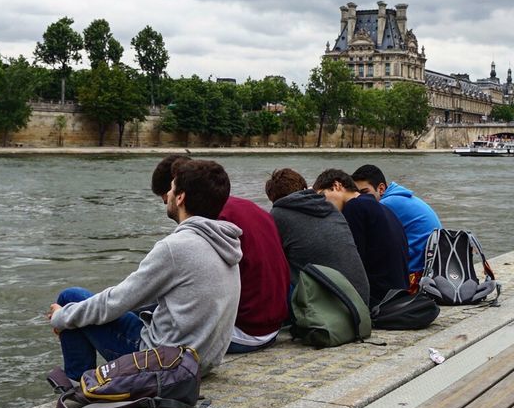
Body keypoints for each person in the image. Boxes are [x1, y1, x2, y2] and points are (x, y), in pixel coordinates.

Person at [47, 160, 242, 381]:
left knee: (70, 298)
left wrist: (62, 317)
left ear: (180, 197)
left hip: (164, 363)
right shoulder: (226, 243)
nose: (167, 195)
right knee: (98, 310)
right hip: (201, 361)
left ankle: (77, 387)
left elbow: (116, 301)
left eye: (171, 188)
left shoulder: (176, 247)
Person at [151, 156, 289, 354]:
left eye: (167, 199)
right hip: (272, 326)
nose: (168, 207)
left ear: (179, 191)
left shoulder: (213, 221)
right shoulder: (250, 207)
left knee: (146, 313)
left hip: (245, 331)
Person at [266, 168, 371, 306]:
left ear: (274, 199)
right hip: (361, 304)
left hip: (333, 311)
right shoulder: (331, 208)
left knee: (272, 271)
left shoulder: (278, 214)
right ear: (304, 187)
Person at [313, 168, 409, 307]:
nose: (322, 203)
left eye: (322, 195)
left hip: (378, 299)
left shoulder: (354, 207)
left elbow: (353, 263)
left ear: (337, 186)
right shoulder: (379, 207)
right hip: (397, 294)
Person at [351, 164, 442, 281]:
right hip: (430, 264)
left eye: (364, 192)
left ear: (381, 189)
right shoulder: (399, 196)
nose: (360, 198)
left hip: (417, 271)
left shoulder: (387, 203)